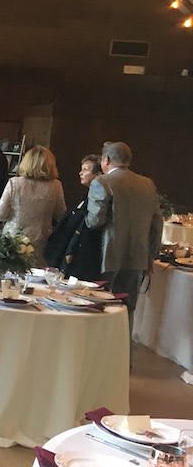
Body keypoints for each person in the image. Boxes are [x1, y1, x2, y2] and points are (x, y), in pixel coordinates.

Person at [85, 141, 162, 329]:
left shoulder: (102, 182)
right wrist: (151, 254)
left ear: (106, 160)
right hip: (137, 256)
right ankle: (122, 355)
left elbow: (94, 221)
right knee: (126, 312)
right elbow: (157, 222)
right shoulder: (147, 184)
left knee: (100, 309)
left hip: (106, 255)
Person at [0, 145, 66, 264]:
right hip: (41, 240)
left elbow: (1, 213)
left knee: (11, 274)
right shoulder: (56, 186)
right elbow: (61, 214)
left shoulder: (14, 183)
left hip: (13, 239)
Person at [44, 154, 103, 280]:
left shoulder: (97, 200)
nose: (80, 173)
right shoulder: (86, 196)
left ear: (98, 175)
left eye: (86, 170)